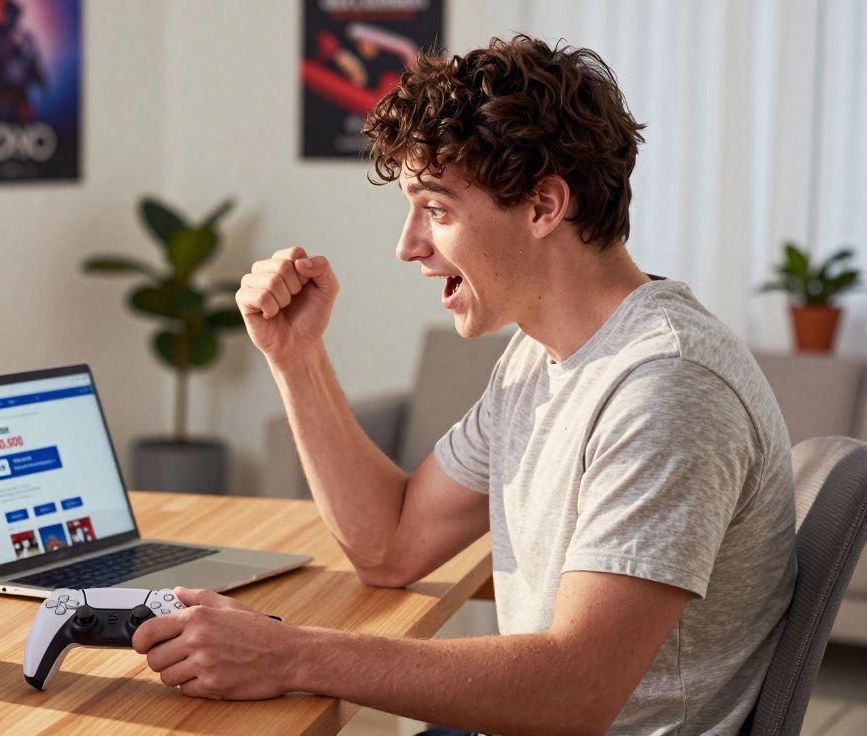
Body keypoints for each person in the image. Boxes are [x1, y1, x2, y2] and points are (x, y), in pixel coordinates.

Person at [132, 35, 796, 735]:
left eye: (437, 210)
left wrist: (290, 654)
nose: (408, 245)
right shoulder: (536, 358)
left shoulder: (664, 388)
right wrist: (297, 358)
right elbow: (391, 546)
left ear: (544, 206)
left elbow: (575, 693)